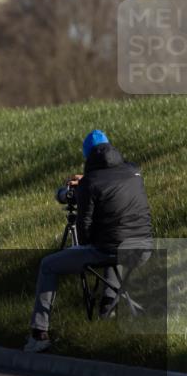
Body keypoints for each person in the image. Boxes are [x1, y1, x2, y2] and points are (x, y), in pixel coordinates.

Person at [24, 130, 154, 353]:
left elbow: (84, 236)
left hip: (109, 250)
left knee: (49, 265)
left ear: (88, 157)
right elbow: (111, 182)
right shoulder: (134, 171)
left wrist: (81, 190)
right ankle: (108, 308)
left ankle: (39, 334)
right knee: (118, 246)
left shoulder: (90, 183)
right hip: (144, 248)